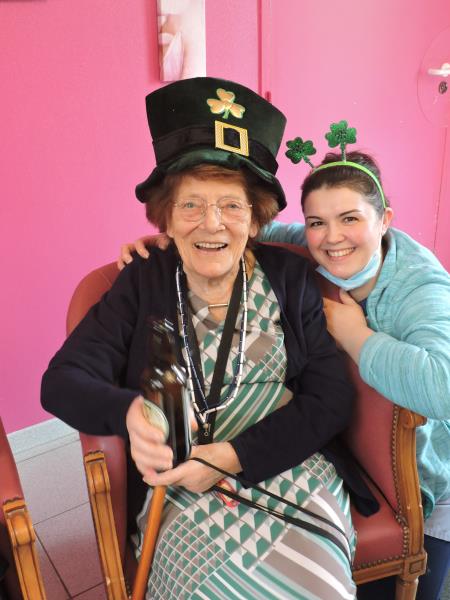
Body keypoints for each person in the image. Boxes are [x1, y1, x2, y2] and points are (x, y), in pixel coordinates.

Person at [41, 78, 378, 600]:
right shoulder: (143, 281)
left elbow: (330, 398)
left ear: (255, 218)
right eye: (191, 206)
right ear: (167, 218)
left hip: (289, 466)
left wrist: (230, 456)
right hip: (182, 488)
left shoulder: (289, 279)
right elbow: (62, 382)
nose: (211, 224)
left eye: (231, 206)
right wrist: (130, 411)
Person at [120, 144, 450, 599]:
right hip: (343, 439)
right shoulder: (311, 245)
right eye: (317, 222)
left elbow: (443, 389)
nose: (332, 238)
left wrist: (356, 336)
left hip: (427, 470)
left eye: (350, 218)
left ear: (385, 220)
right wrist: (177, 237)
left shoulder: (421, 287)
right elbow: (250, 226)